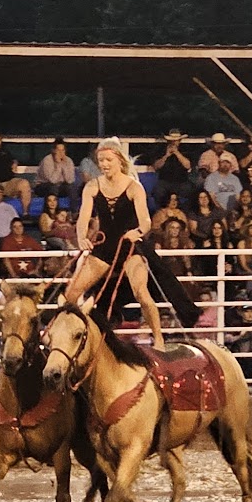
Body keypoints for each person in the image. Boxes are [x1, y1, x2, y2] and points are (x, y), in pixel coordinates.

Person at [63, 137, 164, 348]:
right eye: (101, 160)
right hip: (104, 248)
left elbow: (146, 221)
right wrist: (81, 237)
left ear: (119, 160)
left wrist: (138, 232)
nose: (104, 164)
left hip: (130, 249)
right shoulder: (92, 186)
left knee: (141, 293)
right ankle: (77, 338)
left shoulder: (134, 187)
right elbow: (83, 218)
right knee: (71, 294)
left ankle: (159, 339)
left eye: (108, 160)